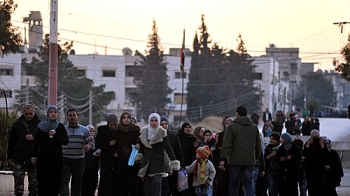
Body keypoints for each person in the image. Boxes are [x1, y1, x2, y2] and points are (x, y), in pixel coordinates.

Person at [220, 106, 262, 196]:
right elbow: (258, 145)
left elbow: (227, 144)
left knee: (234, 184)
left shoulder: (232, 127)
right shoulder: (254, 128)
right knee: (249, 183)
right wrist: (257, 157)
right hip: (249, 160)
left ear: (237, 114)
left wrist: (223, 158)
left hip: (235, 160)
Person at [137, 113, 180, 196]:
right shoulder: (144, 131)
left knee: (157, 184)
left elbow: (168, 148)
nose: (154, 122)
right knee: (148, 186)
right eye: (152, 120)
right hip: (147, 162)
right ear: (149, 121)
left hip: (159, 163)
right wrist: (138, 147)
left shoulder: (162, 133)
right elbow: (139, 143)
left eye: (156, 120)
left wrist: (173, 160)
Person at [31, 105, 69, 196]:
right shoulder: (41, 127)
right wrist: (33, 155)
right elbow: (36, 142)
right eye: (51, 112)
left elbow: (66, 141)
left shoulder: (60, 126)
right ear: (48, 114)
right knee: (42, 182)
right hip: (43, 159)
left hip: (56, 160)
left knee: (55, 182)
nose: (53, 114)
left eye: (55, 112)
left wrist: (56, 135)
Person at [7, 104, 41, 196]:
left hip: (33, 158)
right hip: (19, 157)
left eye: (30, 113)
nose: (28, 116)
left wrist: (34, 138)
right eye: (26, 114)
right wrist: (10, 156)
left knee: (34, 185)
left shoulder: (40, 125)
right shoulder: (17, 125)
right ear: (23, 114)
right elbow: (11, 141)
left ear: (34, 113)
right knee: (18, 185)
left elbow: (45, 141)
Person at [60, 109, 94, 196]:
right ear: (67, 118)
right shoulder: (62, 130)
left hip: (79, 160)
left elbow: (91, 141)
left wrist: (88, 146)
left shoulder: (84, 130)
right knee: (64, 182)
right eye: (70, 115)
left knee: (77, 184)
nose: (72, 117)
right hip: (65, 160)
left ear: (77, 117)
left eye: (74, 115)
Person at [114, 111, 141, 196]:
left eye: (128, 117)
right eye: (124, 118)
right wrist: (115, 152)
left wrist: (138, 144)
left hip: (133, 160)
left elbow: (140, 141)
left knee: (132, 183)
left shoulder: (136, 130)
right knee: (121, 184)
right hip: (120, 160)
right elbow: (115, 143)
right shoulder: (117, 130)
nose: (126, 119)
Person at [159, 115, 185, 196]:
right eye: (162, 124)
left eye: (165, 124)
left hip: (173, 164)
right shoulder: (156, 136)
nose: (164, 126)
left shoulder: (173, 135)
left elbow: (178, 150)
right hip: (160, 165)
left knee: (172, 186)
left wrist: (181, 164)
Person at [95, 113, 119, 196]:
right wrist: (108, 144)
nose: (113, 127)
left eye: (114, 124)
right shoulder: (102, 130)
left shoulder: (120, 131)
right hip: (105, 159)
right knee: (104, 181)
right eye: (111, 125)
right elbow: (97, 144)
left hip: (117, 160)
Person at [303, 130, 329, 196]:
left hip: (319, 169)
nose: (315, 138)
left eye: (317, 136)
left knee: (320, 186)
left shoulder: (322, 143)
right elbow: (304, 154)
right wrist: (308, 145)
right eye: (314, 137)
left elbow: (326, 155)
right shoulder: (308, 143)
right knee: (311, 187)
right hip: (310, 169)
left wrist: (322, 146)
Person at [215, 117, 233, 196]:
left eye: (230, 123)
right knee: (222, 182)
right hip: (223, 161)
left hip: (233, 161)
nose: (228, 125)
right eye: (227, 123)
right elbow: (218, 148)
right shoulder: (221, 134)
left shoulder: (236, 134)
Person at [177, 122, 196, 195]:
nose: (188, 129)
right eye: (186, 127)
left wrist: (195, 147)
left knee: (189, 182)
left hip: (190, 163)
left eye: (189, 127)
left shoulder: (193, 139)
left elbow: (193, 152)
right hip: (181, 162)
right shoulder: (179, 137)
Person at [81, 125, 100, 196]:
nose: (91, 133)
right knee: (84, 185)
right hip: (84, 167)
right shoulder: (83, 142)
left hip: (94, 167)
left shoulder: (97, 142)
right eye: (89, 131)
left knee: (93, 184)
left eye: (93, 131)